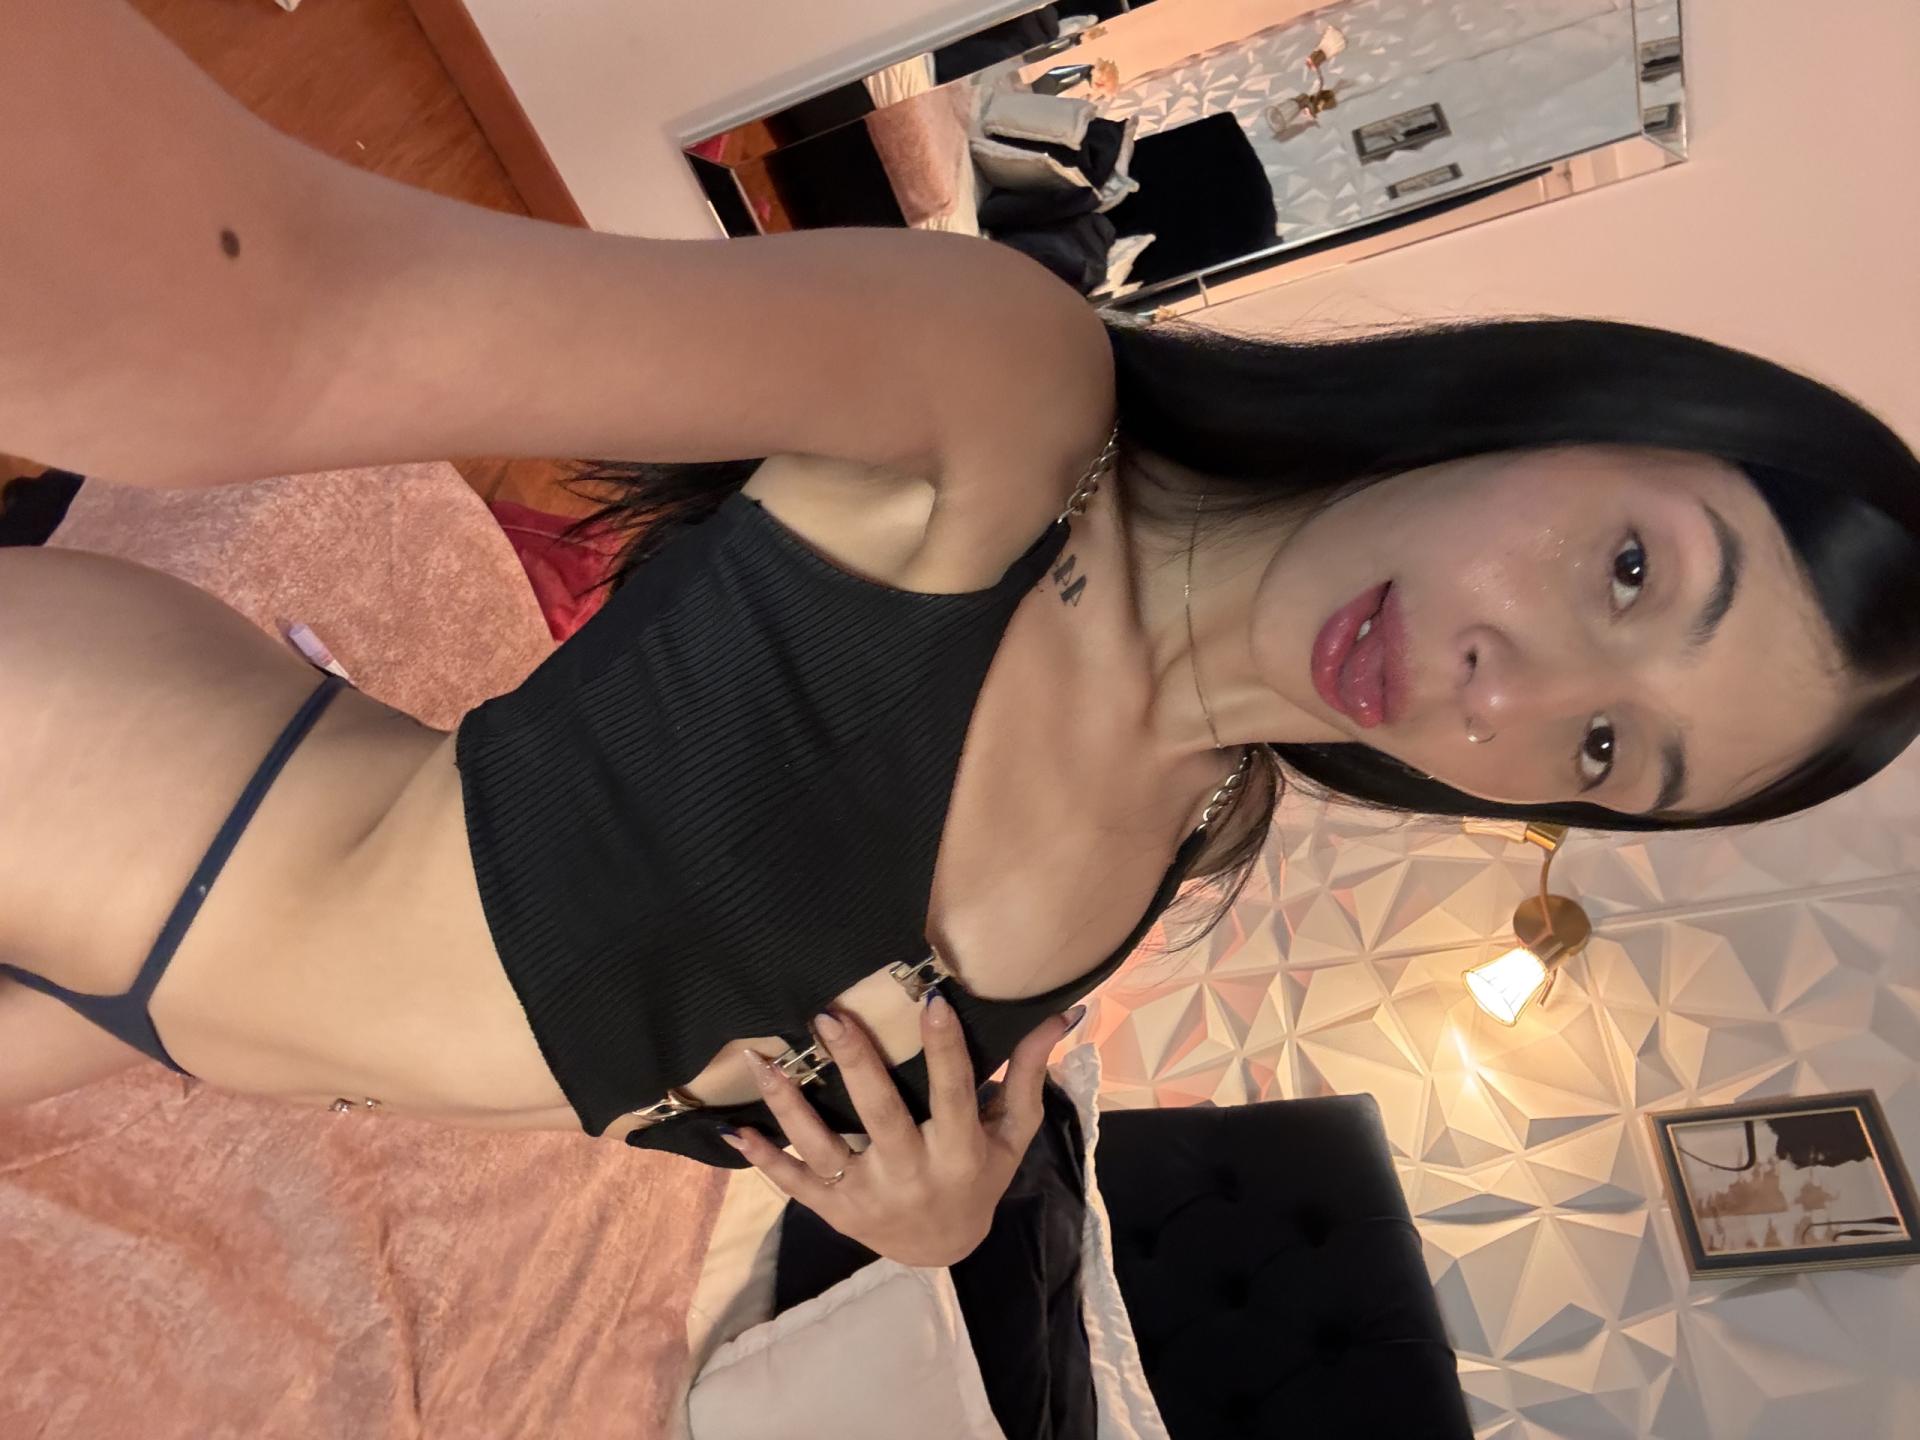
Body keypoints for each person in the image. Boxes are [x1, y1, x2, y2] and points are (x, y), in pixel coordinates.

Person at [3, 1, 1917, 1268]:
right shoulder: (1008, 399)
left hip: (135, 1022)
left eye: (1609, 754)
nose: (1516, 690)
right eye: (1631, 573)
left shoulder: (1182, 837)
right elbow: (298, 311)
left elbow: (620, 1011)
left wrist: (923, 1222)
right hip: (98, 795)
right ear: (1563, 414)